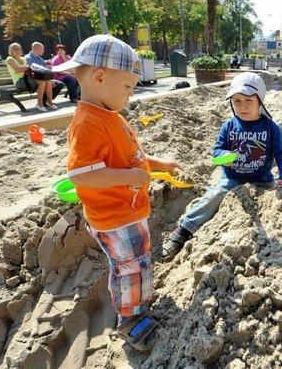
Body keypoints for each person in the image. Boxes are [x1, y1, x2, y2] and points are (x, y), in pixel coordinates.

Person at [55, 34, 180, 351]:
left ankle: (139, 299)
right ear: (100, 77)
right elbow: (81, 175)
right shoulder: (88, 123)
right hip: (114, 217)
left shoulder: (111, 117)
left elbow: (129, 159)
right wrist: (129, 177)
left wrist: (156, 163)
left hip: (129, 212)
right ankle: (130, 321)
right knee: (128, 268)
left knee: (137, 262)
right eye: (127, 86)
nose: (131, 93)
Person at [162, 72, 282, 261]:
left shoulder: (271, 128)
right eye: (237, 101)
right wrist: (224, 157)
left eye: (248, 100)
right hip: (232, 179)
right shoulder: (229, 127)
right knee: (213, 196)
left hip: (263, 181)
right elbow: (216, 154)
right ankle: (184, 229)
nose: (242, 106)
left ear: (260, 102)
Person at [5, 42, 58, 112]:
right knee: (41, 83)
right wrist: (29, 67)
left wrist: (29, 68)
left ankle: (50, 102)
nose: (17, 50)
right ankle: (40, 104)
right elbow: (17, 69)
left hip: (28, 79)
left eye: (19, 49)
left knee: (48, 82)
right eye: (15, 49)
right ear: (11, 51)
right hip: (19, 81)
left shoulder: (23, 59)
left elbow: (28, 69)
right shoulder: (10, 59)